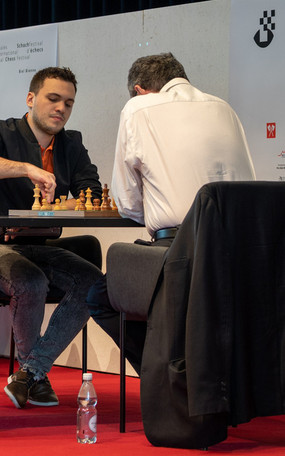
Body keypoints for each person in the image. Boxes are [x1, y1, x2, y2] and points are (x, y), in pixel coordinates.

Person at [86, 53, 256, 371]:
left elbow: (127, 202)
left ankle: (165, 375)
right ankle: (188, 374)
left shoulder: (138, 108)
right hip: (241, 255)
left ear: (139, 90)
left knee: (101, 296)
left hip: (180, 254)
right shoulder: (224, 109)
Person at [0, 67, 103, 408]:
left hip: (39, 245)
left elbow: (92, 193)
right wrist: (25, 168)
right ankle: (34, 375)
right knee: (30, 281)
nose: (61, 109)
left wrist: (64, 204)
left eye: (68, 103)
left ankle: (29, 374)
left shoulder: (71, 143)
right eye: (53, 99)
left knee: (94, 284)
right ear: (31, 98)